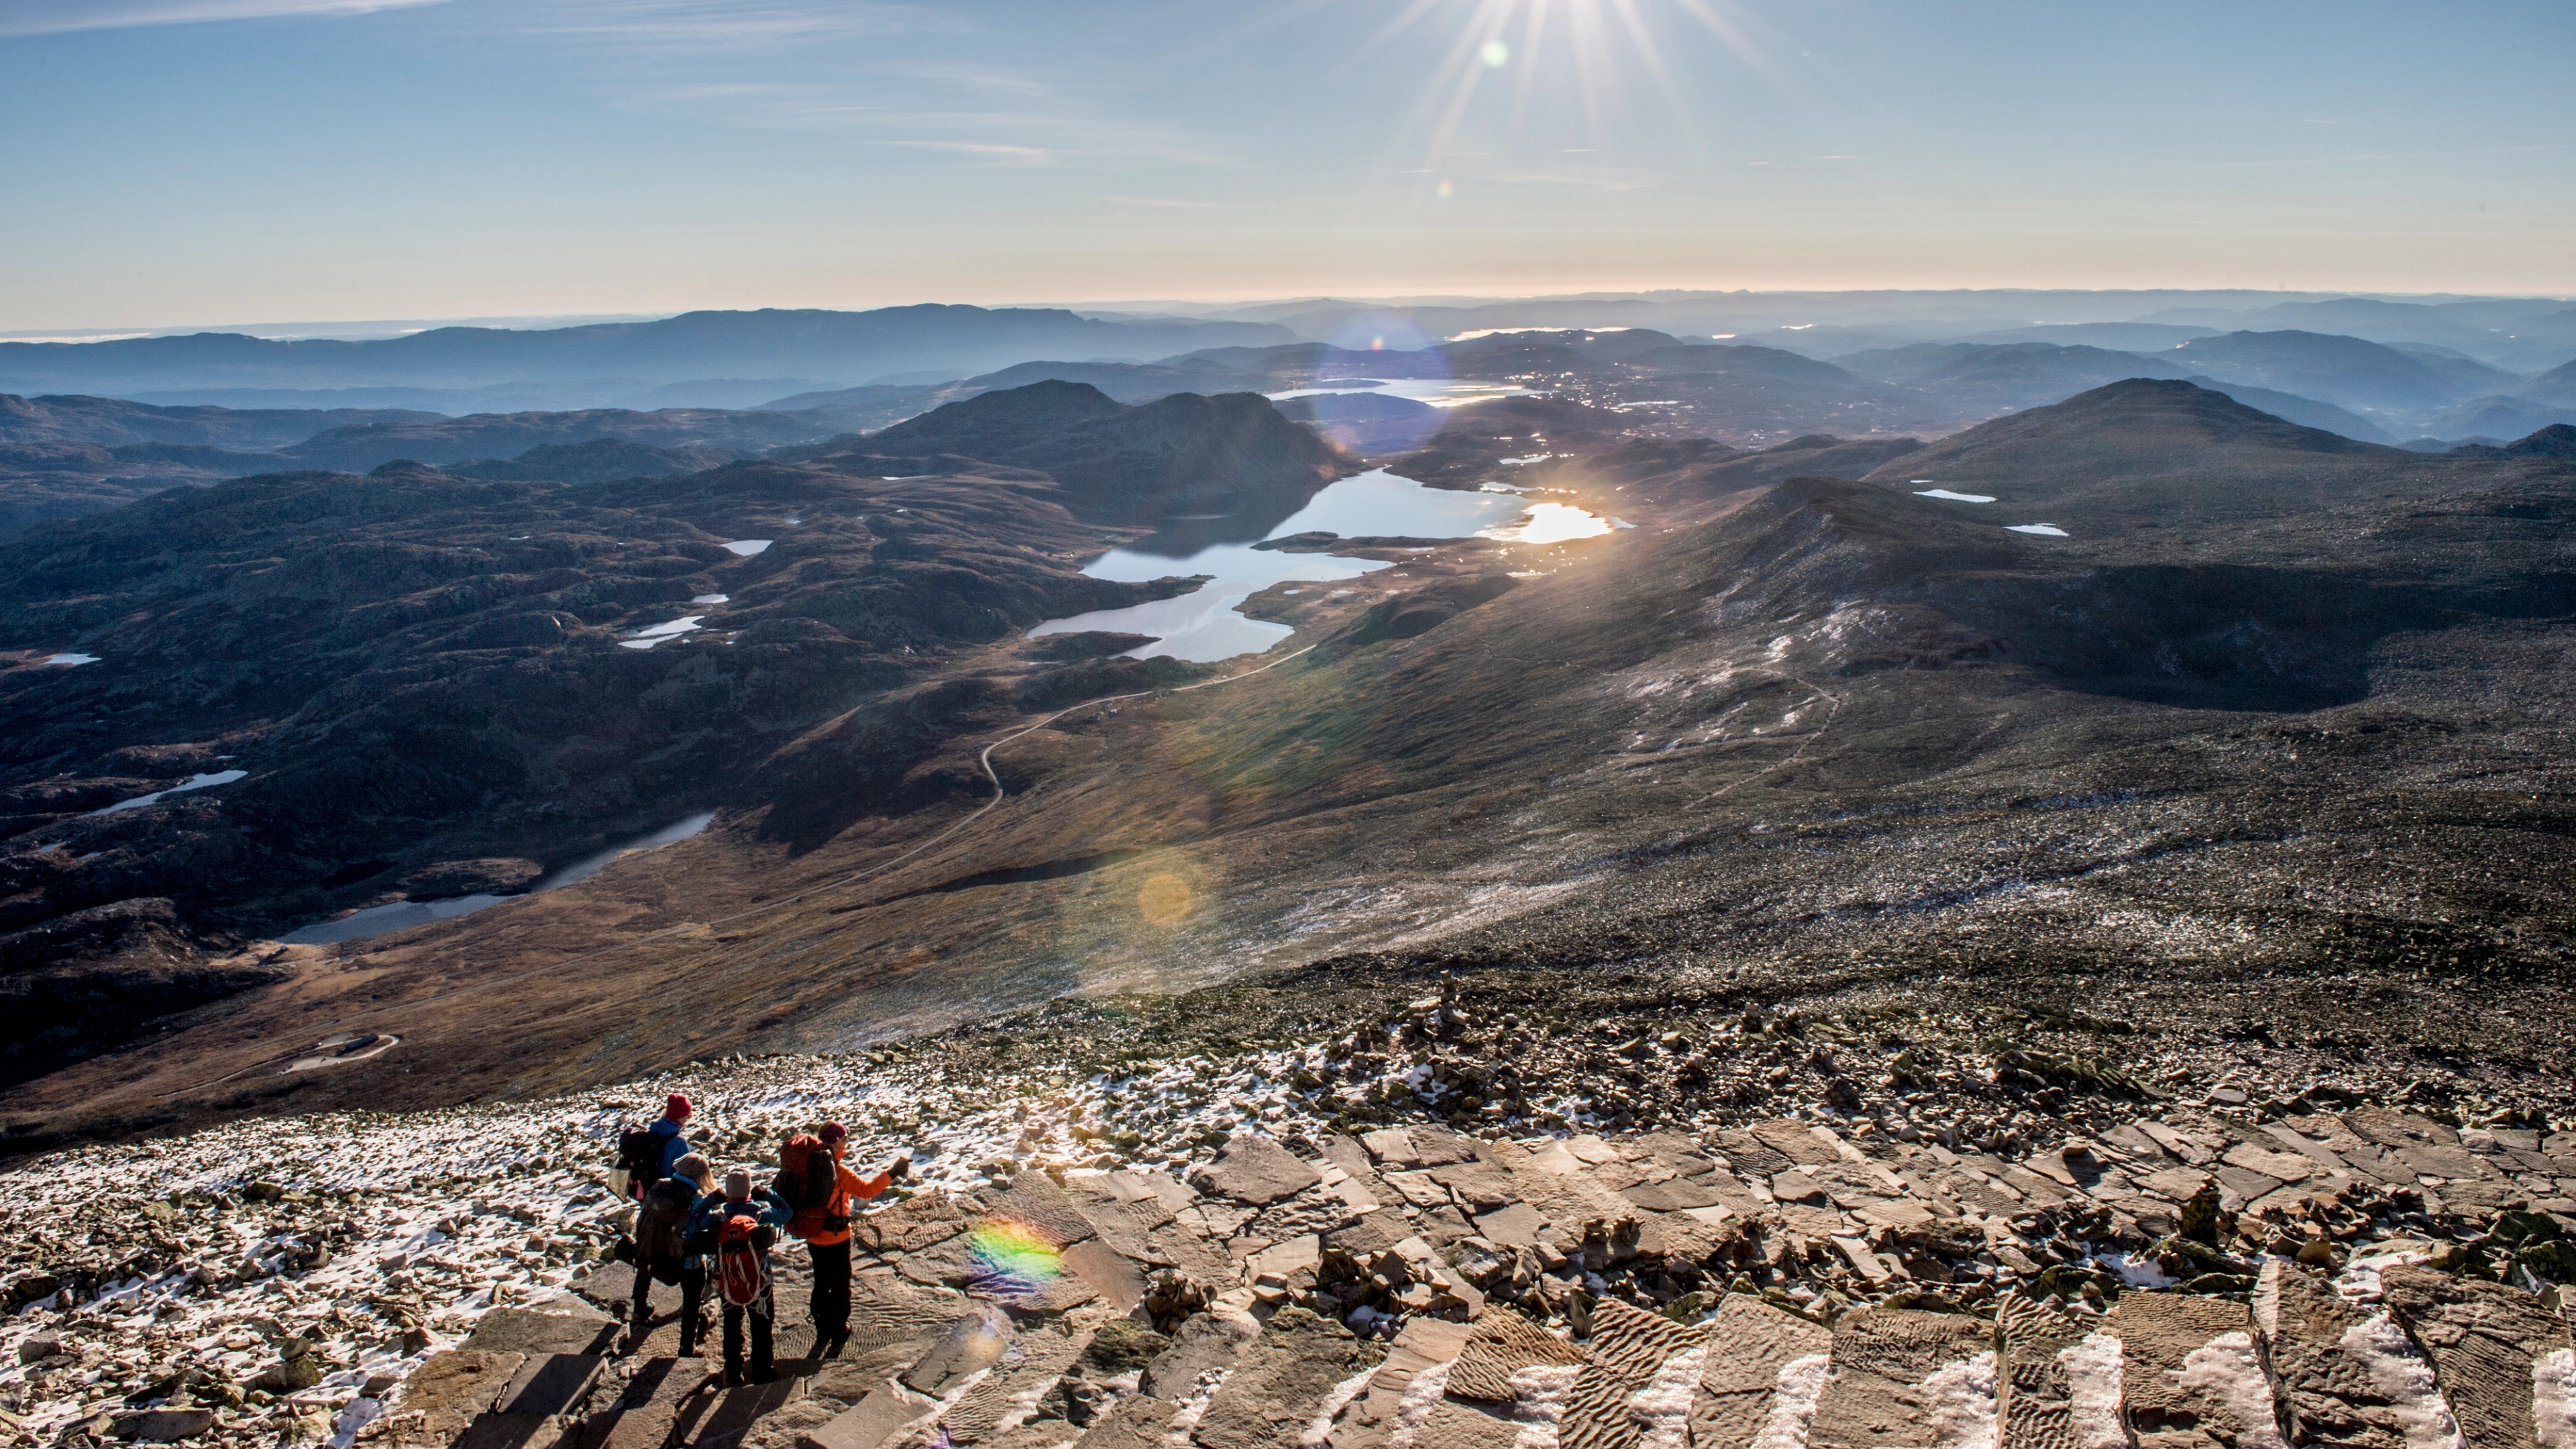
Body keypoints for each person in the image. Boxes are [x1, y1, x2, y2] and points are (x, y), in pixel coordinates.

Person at [803, 1123, 909, 1359]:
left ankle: (822, 1331)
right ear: (835, 1142)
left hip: (813, 1235)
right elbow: (868, 1190)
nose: (847, 1142)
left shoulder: (806, 1166)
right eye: (844, 1138)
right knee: (840, 1285)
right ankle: (839, 1331)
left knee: (821, 1282)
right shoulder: (838, 1172)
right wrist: (893, 1172)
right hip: (837, 1238)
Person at [691, 1168, 793, 1385]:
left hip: (728, 1282)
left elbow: (694, 1221)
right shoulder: (760, 1215)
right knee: (762, 1325)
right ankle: (763, 1370)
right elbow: (787, 1212)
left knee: (732, 1324)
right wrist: (767, 1195)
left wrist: (710, 1200)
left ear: (727, 1193)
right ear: (749, 1191)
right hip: (760, 1280)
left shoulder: (719, 1218)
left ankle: (733, 1371)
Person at [631, 1152, 712, 1355]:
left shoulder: (660, 1186)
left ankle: (639, 1310)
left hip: (653, 1250)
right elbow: (703, 1227)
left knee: (645, 1269)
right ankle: (687, 1347)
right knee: (693, 1299)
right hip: (684, 1259)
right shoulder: (696, 1199)